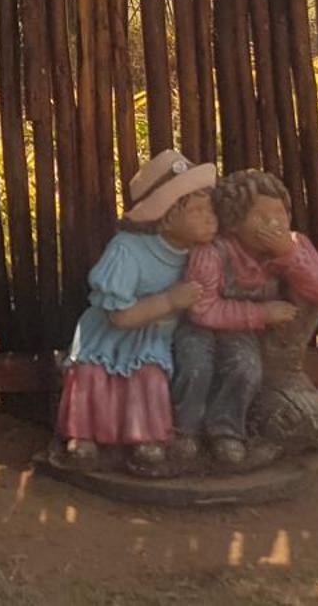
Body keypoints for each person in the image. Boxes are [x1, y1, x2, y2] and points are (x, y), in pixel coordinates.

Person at [52, 150, 218, 477]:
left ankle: (146, 438)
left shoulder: (204, 253)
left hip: (153, 336)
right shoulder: (127, 250)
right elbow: (119, 317)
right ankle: (83, 435)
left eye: (209, 208)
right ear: (167, 216)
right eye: (197, 210)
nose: (210, 217)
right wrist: (170, 302)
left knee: (149, 377)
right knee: (93, 374)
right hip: (110, 333)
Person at [172, 168, 318, 471]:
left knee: (246, 368)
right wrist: (261, 314)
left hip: (241, 332)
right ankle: (185, 432)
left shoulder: (292, 246)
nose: (274, 224)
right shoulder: (212, 254)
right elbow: (201, 310)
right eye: (261, 218)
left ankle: (226, 431)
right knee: (195, 366)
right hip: (199, 329)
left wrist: (288, 253)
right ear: (234, 223)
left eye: (280, 214)